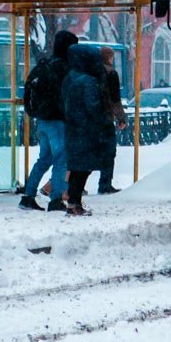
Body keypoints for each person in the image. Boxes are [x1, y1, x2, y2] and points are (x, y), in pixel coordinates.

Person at [20, 30, 78, 212]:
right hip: (59, 121)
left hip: (43, 120)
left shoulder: (46, 65)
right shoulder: (66, 68)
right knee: (61, 160)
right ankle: (56, 199)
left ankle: (28, 196)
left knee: (44, 159)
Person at [60, 44, 114, 216]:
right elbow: (93, 107)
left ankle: (73, 203)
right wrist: (104, 122)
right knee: (83, 168)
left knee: (76, 167)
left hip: (73, 128)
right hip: (87, 131)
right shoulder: (89, 81)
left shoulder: (69, 77)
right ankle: (75, 203)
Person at [96, 46, 124, 194]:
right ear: (109, 58)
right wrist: (121, 118)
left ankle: (77, 186)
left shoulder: (91, 72)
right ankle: (105, 184)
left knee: (89, 151)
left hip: (90, 118)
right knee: (109, 152)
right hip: (105, 118)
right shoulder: (111, 73)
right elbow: (115, 99)